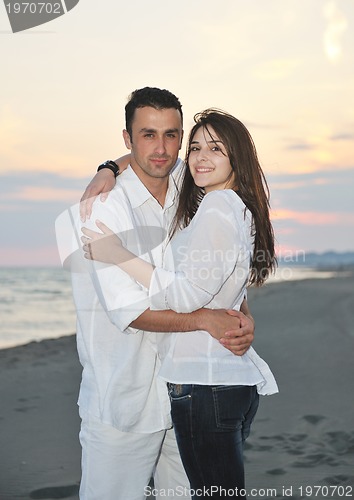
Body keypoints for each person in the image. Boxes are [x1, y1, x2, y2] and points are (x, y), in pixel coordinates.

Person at [55, 88, 255, 500]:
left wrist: (240, 313)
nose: (161, 148)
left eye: (172, 135)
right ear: (127, 139)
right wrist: (204, 319)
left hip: (185, 392)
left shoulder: (192, 180)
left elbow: (217, 263)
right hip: (123, 397)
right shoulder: (103, 206)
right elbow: (128, 312)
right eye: (147, 135)